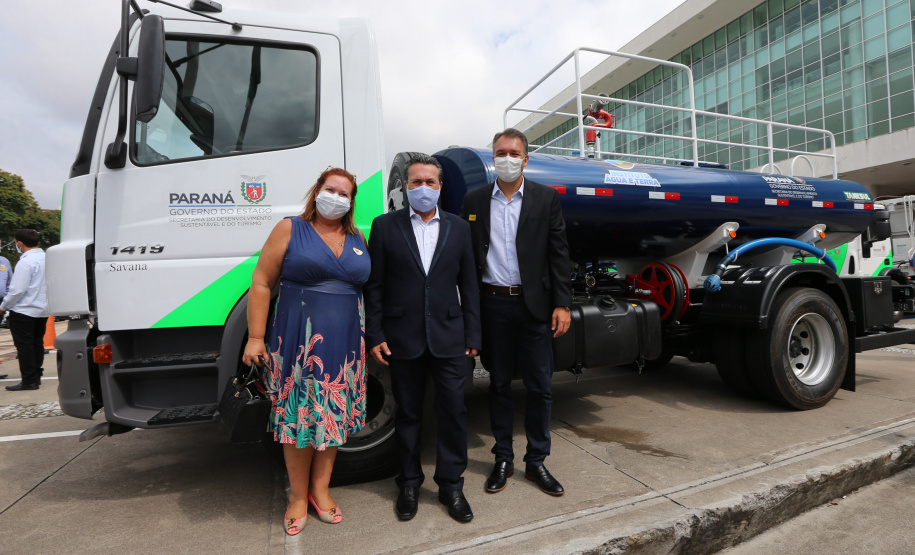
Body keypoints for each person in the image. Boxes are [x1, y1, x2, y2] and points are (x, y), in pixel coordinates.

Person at [242, 167, 369, 535]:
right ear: (317, 191)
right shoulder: (289, 228)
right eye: (331, 189)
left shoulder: (358, 236)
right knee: (299, 419)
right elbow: (262, 282)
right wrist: (255, 337)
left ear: (351, 201)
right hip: (299, 344)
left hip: (345, 347)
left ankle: (320, 491)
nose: (337, 198)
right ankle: (297, 497)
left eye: (345, 194)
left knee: (331, 417)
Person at [364, 153, 481, 523]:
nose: (423, 188)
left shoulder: (459, 228)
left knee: (453, 413)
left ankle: (451, 486)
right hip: (402, 338)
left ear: (440, 186)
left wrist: (473, 333)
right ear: (406, 187)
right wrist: (376, 333)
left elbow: (470, 286)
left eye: (430, 182)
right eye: (416, 182)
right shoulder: (384, 227)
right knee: (410, 414)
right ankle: (410, 484)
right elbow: (375, 287)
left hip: (450, 338)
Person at [460, 128, 573, 497]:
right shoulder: (474, 200)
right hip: (493, 304)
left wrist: (562, 303)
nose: (506, 158)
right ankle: (503, 458)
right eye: (500, 152)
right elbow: (466, 260)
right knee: (497, 384)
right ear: (493, 158)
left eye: (513, 152)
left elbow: (558, 254)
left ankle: (537, 460)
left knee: (540, 387)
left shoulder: (545, 199)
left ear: (526, 158)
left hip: (534, 307)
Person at [1, 230, 49, 391]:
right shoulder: (47, 259)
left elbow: (17, 290)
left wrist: (3, 307)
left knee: (25, 346)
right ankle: (36, 376)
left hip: (24, 311)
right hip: (42, 310)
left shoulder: (25, 262)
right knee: (37, 344)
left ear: (20, 243)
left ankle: (29, 381)